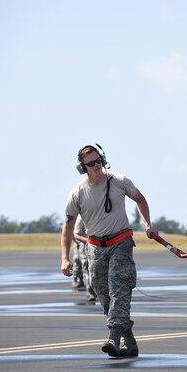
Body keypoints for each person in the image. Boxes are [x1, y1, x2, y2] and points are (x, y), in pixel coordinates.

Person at [60, 144, 156, 358]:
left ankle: (114, 337)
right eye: (91, 163)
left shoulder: (119, 181)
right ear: (82, 167)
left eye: (99, 160)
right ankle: (129, 342)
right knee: (103, 294)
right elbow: (67, 226)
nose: (97, 165)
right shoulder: (77, 193)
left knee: (119, 289)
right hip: (95, 248)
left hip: (121, 242)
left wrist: (147, 225)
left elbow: (140, 199)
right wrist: (65, 258)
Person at [72, 215, 97, 302]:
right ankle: (90, 291)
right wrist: (89, 241)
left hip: (99, 245)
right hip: (85, 246)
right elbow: (76, 235)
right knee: (87, 269)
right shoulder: (80, 218)